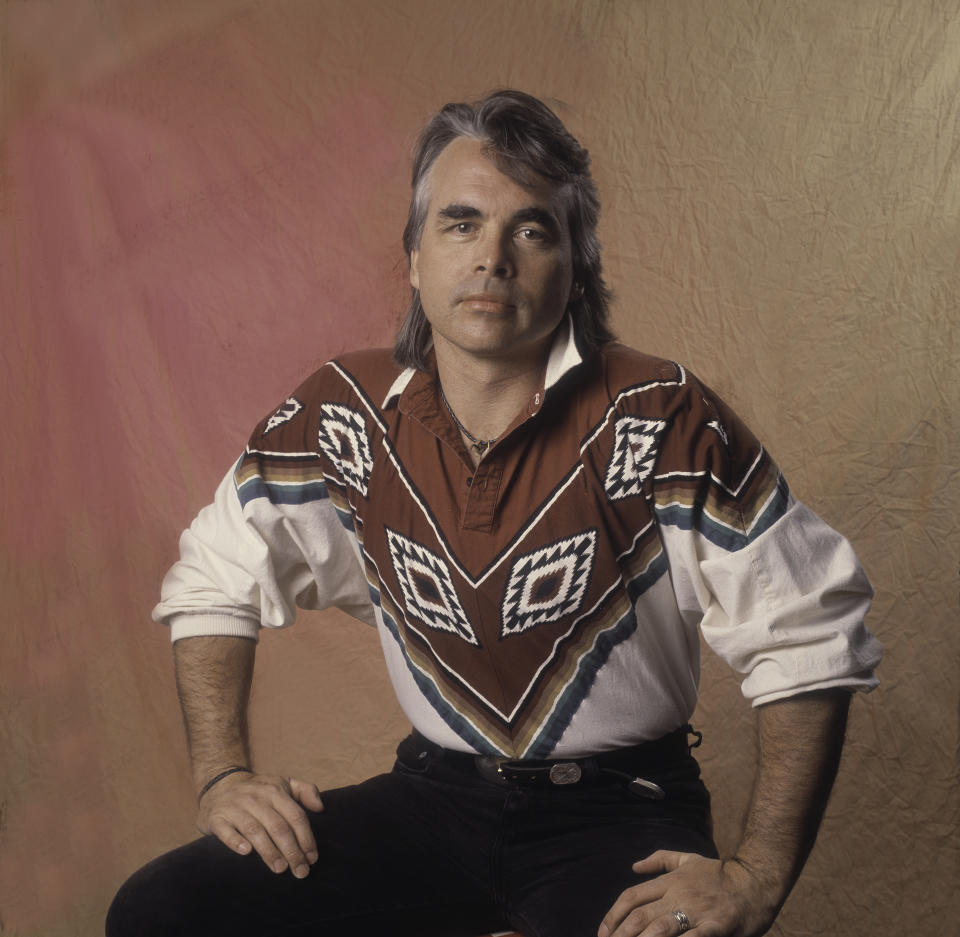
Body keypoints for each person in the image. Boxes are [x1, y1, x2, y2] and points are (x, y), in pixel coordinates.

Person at [106, 90, 882, 937]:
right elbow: (213, 579)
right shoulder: (344, 415)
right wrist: (224, 776)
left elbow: (808, 635)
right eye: (462, 223)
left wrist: (757, 878)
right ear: (413, 256)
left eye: (532, 229)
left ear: (576, 266)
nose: (493, 258)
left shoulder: (663, 414)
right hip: (430, 802)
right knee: (162, 914)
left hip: (620, 815)